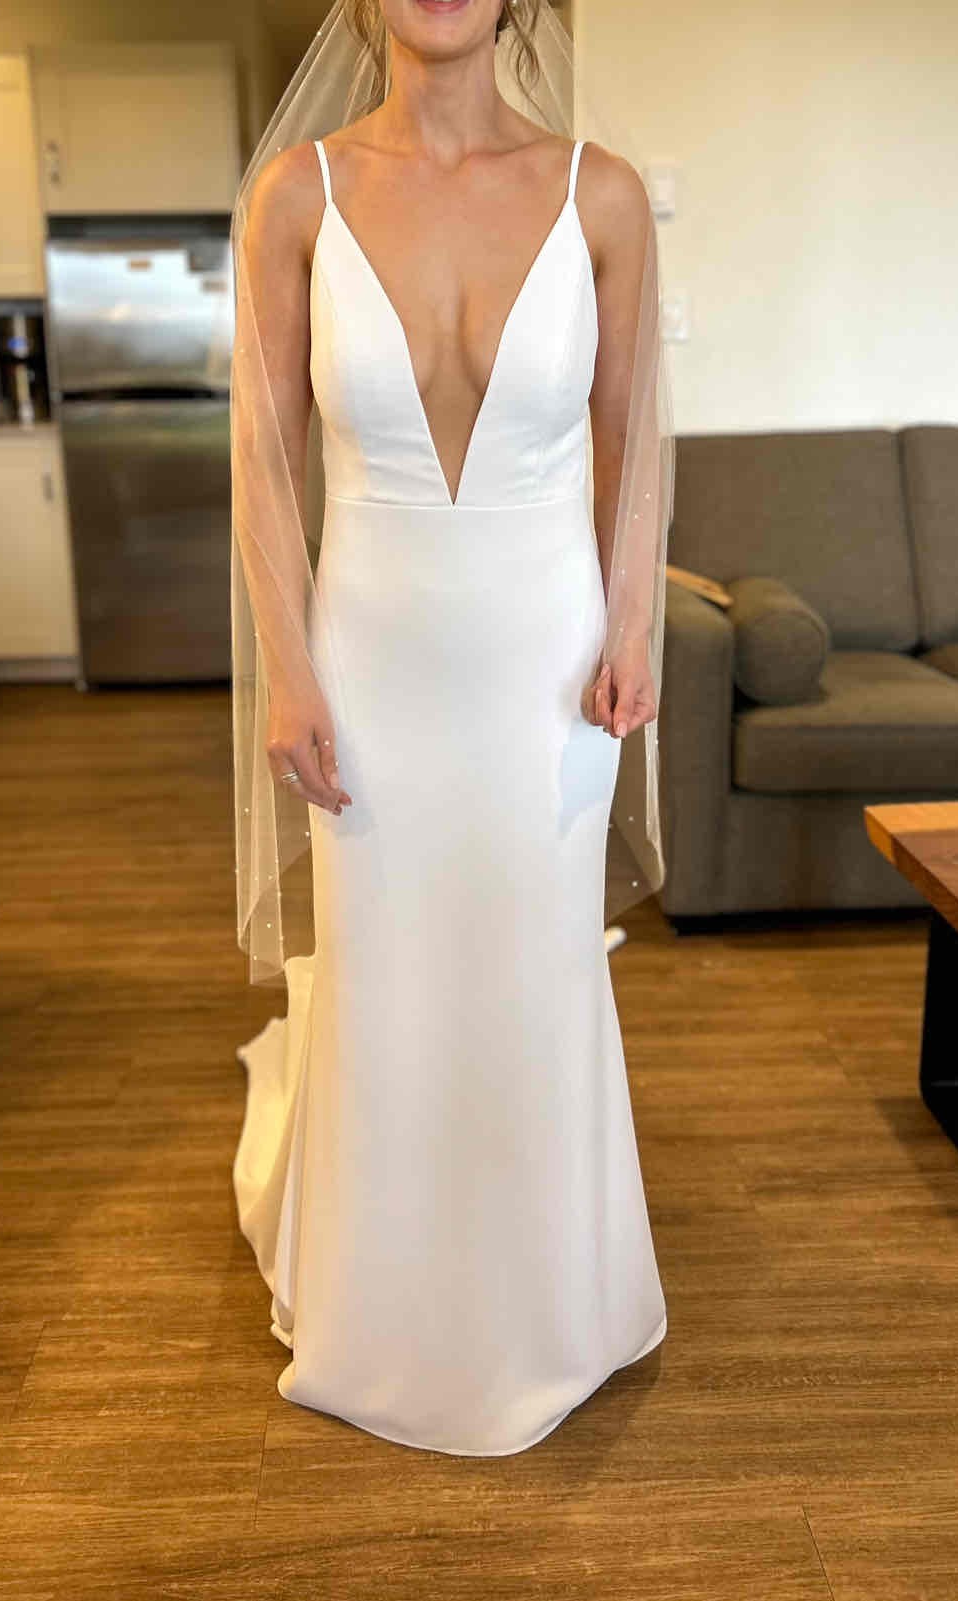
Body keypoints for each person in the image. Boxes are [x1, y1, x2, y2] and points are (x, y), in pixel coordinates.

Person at [230, 0, 673, 1457]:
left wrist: (633, 624)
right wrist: (289, 668)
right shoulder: (296, 196)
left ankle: (548, 1305)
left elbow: (632, 435)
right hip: (370, 663)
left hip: (546, 662)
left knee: (534, 970)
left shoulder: (600, 194)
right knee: (388, 973)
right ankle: (385, 1314)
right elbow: (262, 455)